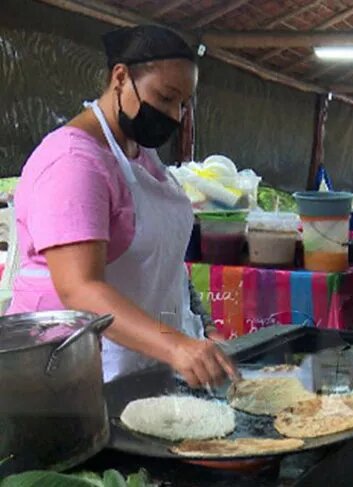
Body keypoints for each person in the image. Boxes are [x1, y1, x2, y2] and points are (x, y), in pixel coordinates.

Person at [7, 25, 239, 388]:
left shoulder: (141, 155)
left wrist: (201, 327)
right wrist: (176, 346)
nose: (175, 115)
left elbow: (165, 263)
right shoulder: (72, 162)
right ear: (120, 77)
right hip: (72, 375)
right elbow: (80, 288)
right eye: (165, 97)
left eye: (182, 104)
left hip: (143, 367)